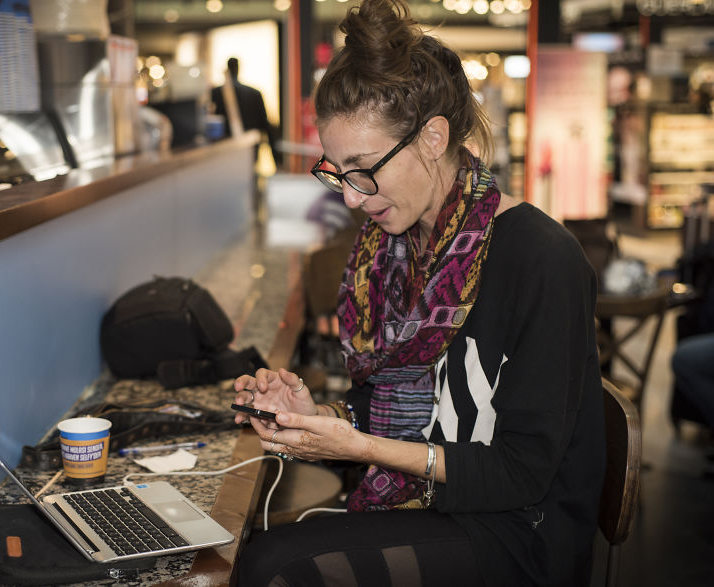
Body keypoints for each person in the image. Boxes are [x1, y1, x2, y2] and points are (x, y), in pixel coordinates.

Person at [231, 1, 605, 585]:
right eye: (337, 172)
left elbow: (523, 474)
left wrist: (357, 448)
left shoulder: (541, 259)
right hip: (439, 507)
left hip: (518, 531)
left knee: (275, 566)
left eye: (363, 169)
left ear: (433, 137)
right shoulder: (394, 250)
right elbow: (400, 410)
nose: (351, 197)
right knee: (262, 552)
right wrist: (319, 417)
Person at [211, 57, 275, 151]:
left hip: (227, 145)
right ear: (238, 69)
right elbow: (264, 122)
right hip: (247, 146)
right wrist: (275, 154)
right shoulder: (254, 93)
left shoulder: (215, 93)